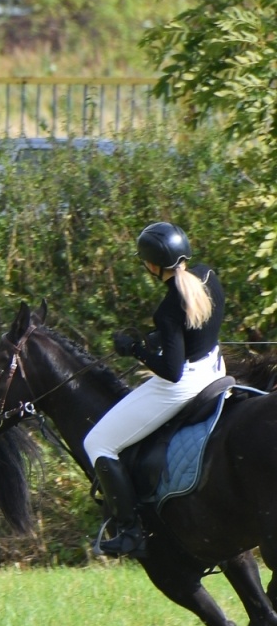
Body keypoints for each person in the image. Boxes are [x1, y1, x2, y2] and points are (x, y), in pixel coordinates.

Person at [84, 222, 226, 558]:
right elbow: (196, 324)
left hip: (185, 383)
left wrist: (135, 348)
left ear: (151, 265)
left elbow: (171, 372)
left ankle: (130, 531)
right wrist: (161, 339)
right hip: (216, 367)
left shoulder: (166, 309)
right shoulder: (207, 275)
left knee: (98, 443)